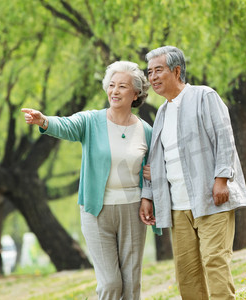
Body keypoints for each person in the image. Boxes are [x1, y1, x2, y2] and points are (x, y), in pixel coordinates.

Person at [21, 61, 154, 300]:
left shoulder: (146, 130)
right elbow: (66, 125)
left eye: (122, 86)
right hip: (96, 209)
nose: (114, 91)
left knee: (132, 284)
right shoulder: (91, 121)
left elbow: (155, 169)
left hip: (133, 210)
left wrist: (149, 190)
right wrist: (44, 121)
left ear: (136, 93)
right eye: (111, 85)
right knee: (111, 283)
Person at [139, 46, 246, 300]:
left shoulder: (204, 96)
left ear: (177, 71)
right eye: (149, 72)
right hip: (178, 207)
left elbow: (224, 138)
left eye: (159, 70)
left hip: (211, 198)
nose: (153, 77)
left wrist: (222, 178)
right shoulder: (161, 114)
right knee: (187, 274)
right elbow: (155, 161)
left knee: (214, 261)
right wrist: (148, 196)